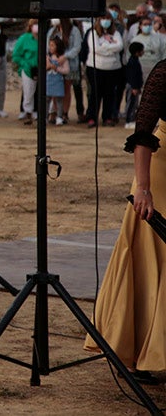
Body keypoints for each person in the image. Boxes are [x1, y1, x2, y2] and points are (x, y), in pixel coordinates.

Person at [83, 58, 166, 385]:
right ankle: (128, 355)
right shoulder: (164, 72)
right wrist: (143, 188)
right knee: (147, 260)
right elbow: (143, 132)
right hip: (160, 175)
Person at [83, 12, 125, 128]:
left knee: (109, 94)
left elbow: (120, 46)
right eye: (103, 18)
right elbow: (95, 48)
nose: (105, 21)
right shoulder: (93, 33)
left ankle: (107, 117)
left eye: (108, 19)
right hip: (96, 68)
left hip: (113, 68)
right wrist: (110, 49)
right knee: (95, 94)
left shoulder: (115, 33)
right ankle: (92, 117)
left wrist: (104, 48)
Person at [12, 19, 40, 125]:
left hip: (41, 68)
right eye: (34, 24)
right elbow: (16, 55)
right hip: (28, 68)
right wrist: (24, 64)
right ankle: (28, 112)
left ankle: (38, 111)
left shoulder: (43, 38)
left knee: (39, 91)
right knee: (28, 91)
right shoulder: (24, 39)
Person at [45, 36, 69, 125]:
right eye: (49, 45)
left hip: (58, 81)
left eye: (52, 45)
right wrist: (49, 66)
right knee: (47, 100)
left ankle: (59, 116)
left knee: (59, 100)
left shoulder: (62, 58)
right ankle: (45, 117)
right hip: (48, 81)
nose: (50, 47)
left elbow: (66, 70)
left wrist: (57, 68)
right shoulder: (48, 57)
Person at [124, 42, 145, 130]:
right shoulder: (132, 62)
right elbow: (132, 76)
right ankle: (129, 121)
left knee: (134, 103)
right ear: (137, 52)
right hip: (132, 87)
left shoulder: (135, 60)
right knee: (131, 103)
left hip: (135, 86)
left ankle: (132, 119)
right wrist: (134, 87)